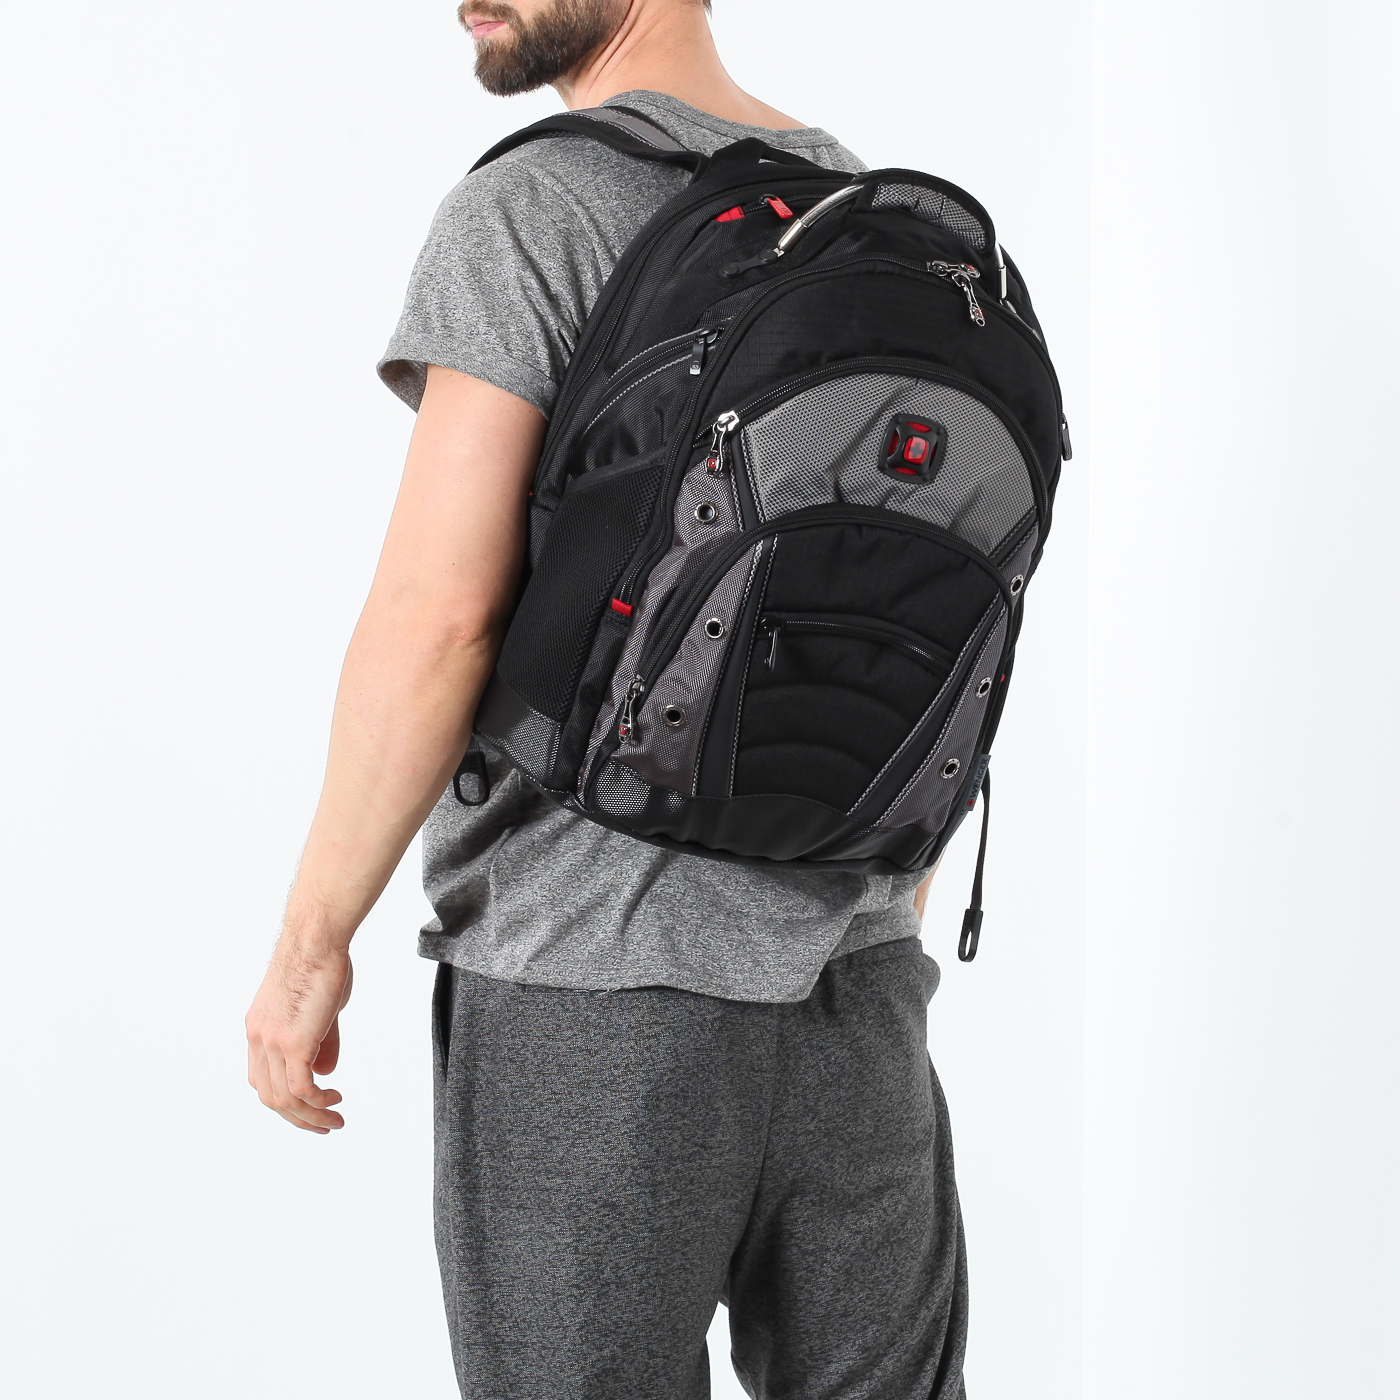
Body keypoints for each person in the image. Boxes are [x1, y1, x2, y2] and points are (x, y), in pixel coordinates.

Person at [244, 2, 969, 1395]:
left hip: (591, 981)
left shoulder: (536, 207)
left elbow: (440, 615)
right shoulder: (875, 218)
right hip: (863, 987)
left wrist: (306, 949)